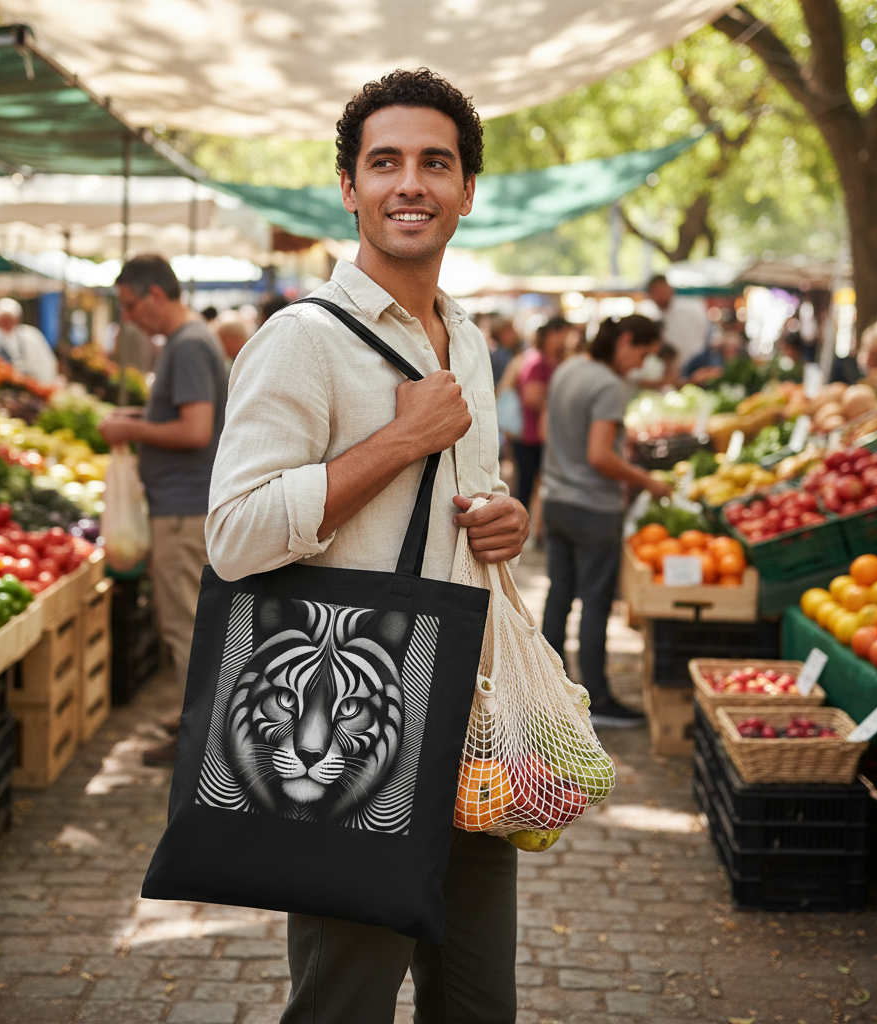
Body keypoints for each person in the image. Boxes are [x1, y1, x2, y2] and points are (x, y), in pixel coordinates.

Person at [206, 68, 529, 1024]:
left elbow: (464, 499)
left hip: (471, 727)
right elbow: (233, 536)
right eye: (384, 163)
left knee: (479, 1005)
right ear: (348, 187)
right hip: (353, 738)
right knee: (343, 1003)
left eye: (436, 163)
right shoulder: (301, 340)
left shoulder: (465, 337)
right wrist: (396, 441)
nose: (410, 184)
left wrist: (503, 520)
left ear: (468, 190)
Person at [98, 255, 228, 768]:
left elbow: (195, 430)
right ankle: (193, 718)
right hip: (184, 506)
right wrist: (141, 415)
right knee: (189, 623)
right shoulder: (189, 339)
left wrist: (131, 429)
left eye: (130, 305)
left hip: (183, 511)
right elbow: (186, 416)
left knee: (187, 628)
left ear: (155, 295)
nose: (128, 318)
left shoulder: (188, 344)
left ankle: (198, 742)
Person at [540, 314, 672, 728]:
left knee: (559, 597)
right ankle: (596, 698)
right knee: (595, 604)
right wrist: (647, 481)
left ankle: (549, 691)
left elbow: (548, 430)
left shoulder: (569, 368)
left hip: (556, 500)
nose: (640, 365)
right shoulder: (609, 385)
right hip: (593, 509)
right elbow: (599, 455)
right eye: (642, 354)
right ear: (625, 340)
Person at [512, 317, 572, 507]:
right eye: (565, 334)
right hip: (530, 436)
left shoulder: (555, 360)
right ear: (553, 333)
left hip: (543, 436)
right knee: (527, 486)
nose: (568, 340)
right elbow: (531, 398)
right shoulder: (536, 362)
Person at [0, 298, 59, 384]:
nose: (7, 322)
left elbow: (45, 362)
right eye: (3, 319)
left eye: (9, 318)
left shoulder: (31, 335)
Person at [647, 273, 709, 369]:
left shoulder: (687, 309)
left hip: (691, 365)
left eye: (662, 290)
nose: (659, 295)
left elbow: (692, 346)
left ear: (670, 289)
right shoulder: (662, 313)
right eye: (655, 292)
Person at [488, 314, 519, 385]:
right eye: (508, 331)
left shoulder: (511, 351)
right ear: (498, 334)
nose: (513, 334)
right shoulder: (496, 356)